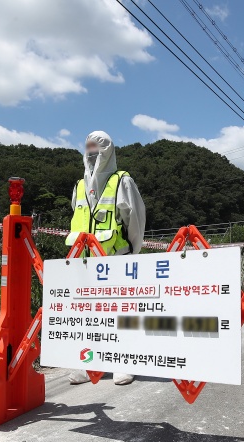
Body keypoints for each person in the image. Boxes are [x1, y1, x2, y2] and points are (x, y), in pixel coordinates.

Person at [66, 131, 146, 385]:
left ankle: (125, 362)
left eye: (96, 147)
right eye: (88, 146)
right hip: (85, 263)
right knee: (87, 315)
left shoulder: (122, 181)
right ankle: (87, 363)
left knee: (120, 314)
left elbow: (136, 219)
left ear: (107, 149)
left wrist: (133, 252)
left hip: (116, 261)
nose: (91, 152)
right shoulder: (79, 186)